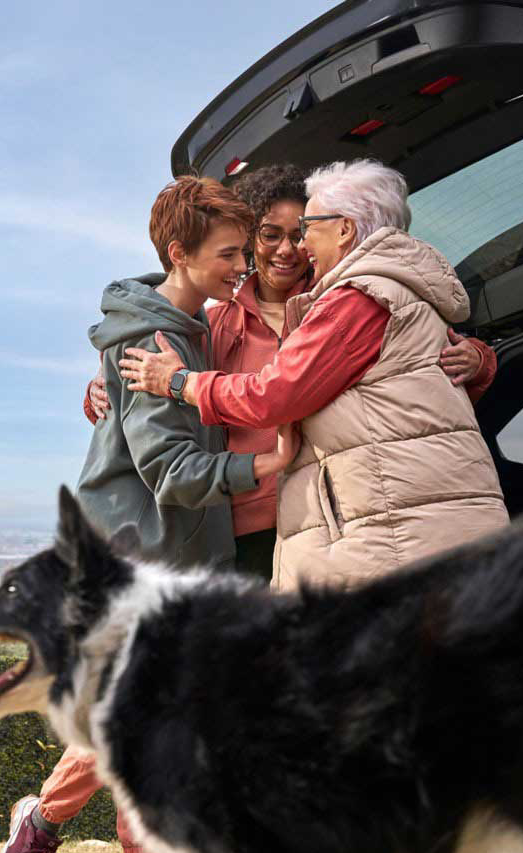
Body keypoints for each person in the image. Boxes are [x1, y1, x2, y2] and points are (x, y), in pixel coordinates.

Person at [0, 175, 298, 853]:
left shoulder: (183, 327)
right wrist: (262, 464)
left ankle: (48, 830)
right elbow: (166, 467)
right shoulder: (153, 336)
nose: (242, 267)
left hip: (170, 548)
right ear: (179, 253)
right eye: (230, 253)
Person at [89, 164, 498, 578]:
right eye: (271, 235)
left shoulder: (341, 300)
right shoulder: (215, 324)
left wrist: (479, 359)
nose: (290, 247)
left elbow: (420, 353)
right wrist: (106, 391)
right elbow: (150, 410)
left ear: (341, 232)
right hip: (246, 518)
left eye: (300, 232)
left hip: (331, 514)